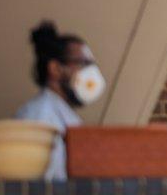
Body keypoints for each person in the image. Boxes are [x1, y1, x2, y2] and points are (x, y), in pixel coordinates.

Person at [15, 21, 105, 180]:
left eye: (92, 65)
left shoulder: (64, 116)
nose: (91, 73)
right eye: (83, 64)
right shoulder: (39, 117)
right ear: (55, 69)